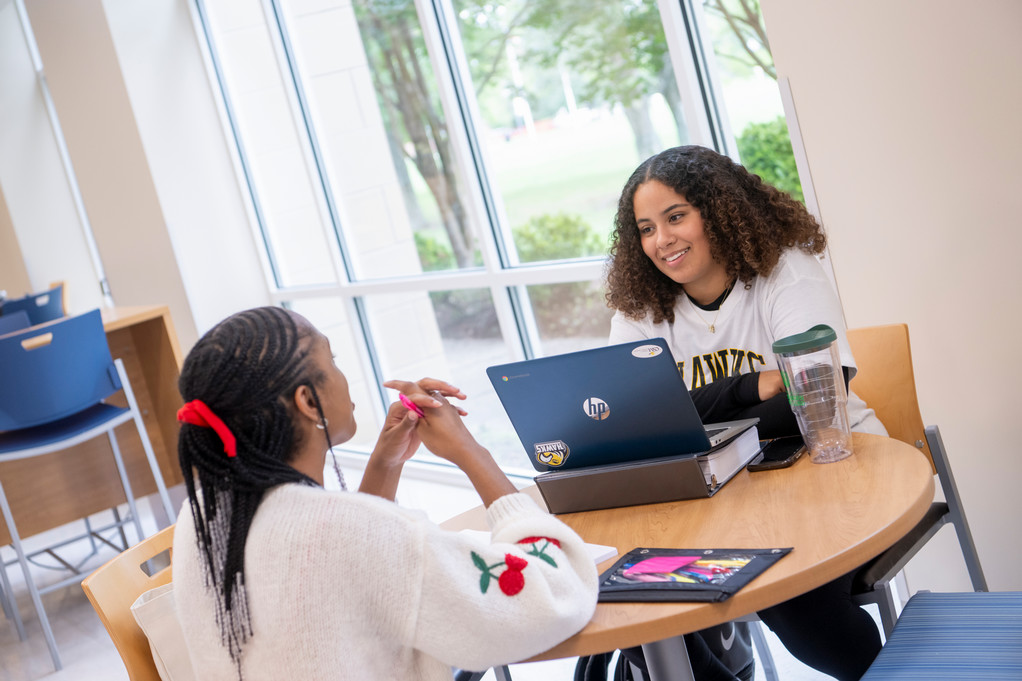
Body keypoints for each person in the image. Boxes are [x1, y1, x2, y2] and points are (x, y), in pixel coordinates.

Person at [172, 306, 598, 681]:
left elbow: (341, 580)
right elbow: (552, 597)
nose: (343, 373)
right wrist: (471, 452)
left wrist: (384, 465)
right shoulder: (356, 534)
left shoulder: (200, 518)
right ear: (306, 401)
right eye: (333, 360)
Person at [603, 145, 886, 681]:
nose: (661, 240)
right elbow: (631, 419)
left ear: (719, 211)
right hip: (720, 498)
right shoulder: (640, 308)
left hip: (835, 473)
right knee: (641, 603)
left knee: (789, 597)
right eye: (645, 228)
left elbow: (818, 396)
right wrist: (749, 387)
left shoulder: (785, 274)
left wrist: (681, 411)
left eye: (676, 216)